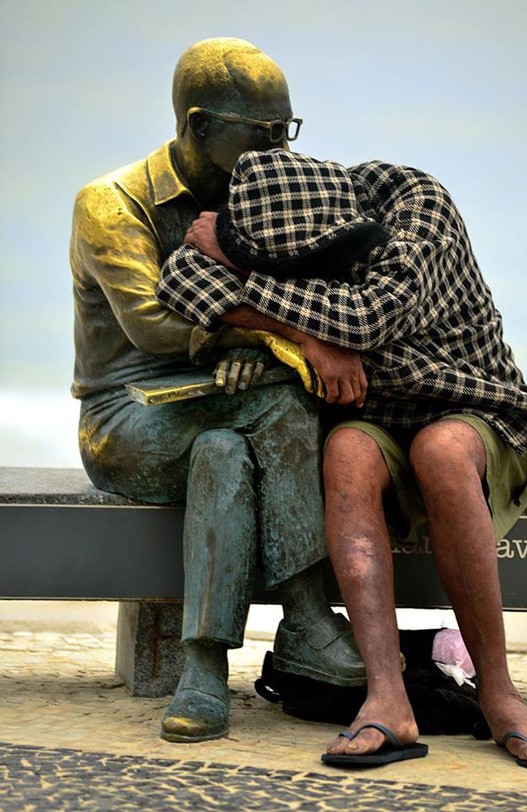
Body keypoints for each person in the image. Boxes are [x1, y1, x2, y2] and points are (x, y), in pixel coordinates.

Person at [156, 148, 527, 769]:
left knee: (439, 449)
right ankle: (387, 698)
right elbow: (177, 281)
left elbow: (362, 321)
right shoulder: (270, 210)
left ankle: (498, 692)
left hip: (479, 413)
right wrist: (304, 332)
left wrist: (244, 282)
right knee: (345, 448)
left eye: (310, 272)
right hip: (377, 425)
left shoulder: (420, 210)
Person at [70, 39, 365, 745]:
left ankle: (202, 671)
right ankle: (305, 614)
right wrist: (259, 346)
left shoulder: (261, 198)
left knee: (224, 454)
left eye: (285, 131)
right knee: (281, 399)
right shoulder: (110, 204)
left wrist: (242, 356)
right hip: (126, 417)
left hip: (216, 406)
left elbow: (310, 289)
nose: (279, 149)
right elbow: (151, 325)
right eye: (262, 134)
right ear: (199, 126)